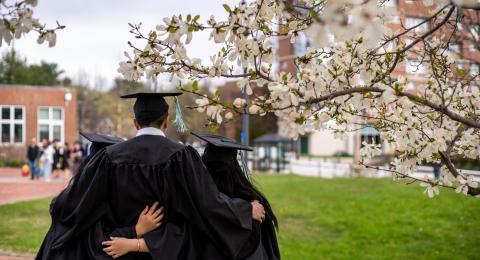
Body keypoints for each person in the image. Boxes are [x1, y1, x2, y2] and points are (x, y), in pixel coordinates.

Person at [36, 92, 266, 260]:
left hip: (117, 250)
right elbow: (208, 203)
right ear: (166, 122)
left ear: (135, 123)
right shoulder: (182, 157)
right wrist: (245, 210)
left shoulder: (107, 158)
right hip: (165, 252)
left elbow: (72, 207)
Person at [104, 132, 281, 259]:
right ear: (235, 167)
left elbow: (182, 239)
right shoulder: (255, 203)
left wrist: (131, 243)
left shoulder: (200, 206)